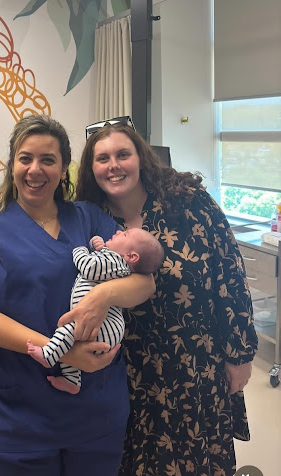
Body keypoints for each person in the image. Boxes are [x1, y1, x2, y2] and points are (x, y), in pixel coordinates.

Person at [0, 115, 156, 476]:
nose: (35, 170)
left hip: (93, 412)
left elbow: (145, 282)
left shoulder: (88, 218)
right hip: (10, 417)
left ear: (63, 169)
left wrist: (103, 295)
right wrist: (62, 352)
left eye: (48, 160)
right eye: (25, 158)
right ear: (12, 165)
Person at [73, 121, 258, 476]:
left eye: (123, 154)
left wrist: (240, 354)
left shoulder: (187, 203)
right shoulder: (89, 220)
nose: (114, 165)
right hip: (128, 377)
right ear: (91, 168)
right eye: (103, 158)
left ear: (140, 158)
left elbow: (230, 275)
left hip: (196, 368)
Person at [27, 228, 164, 394]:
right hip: (106, 329)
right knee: (70, 342)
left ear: (131, 257)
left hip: (105, 326)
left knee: (68, 330)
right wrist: (96, 244)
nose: (119, 231)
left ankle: (49, 355)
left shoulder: (116, 262)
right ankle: (72, 380)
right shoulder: (112, 260)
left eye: (125, 234)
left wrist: (80, 251)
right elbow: (100, 258)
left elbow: (89, 267)